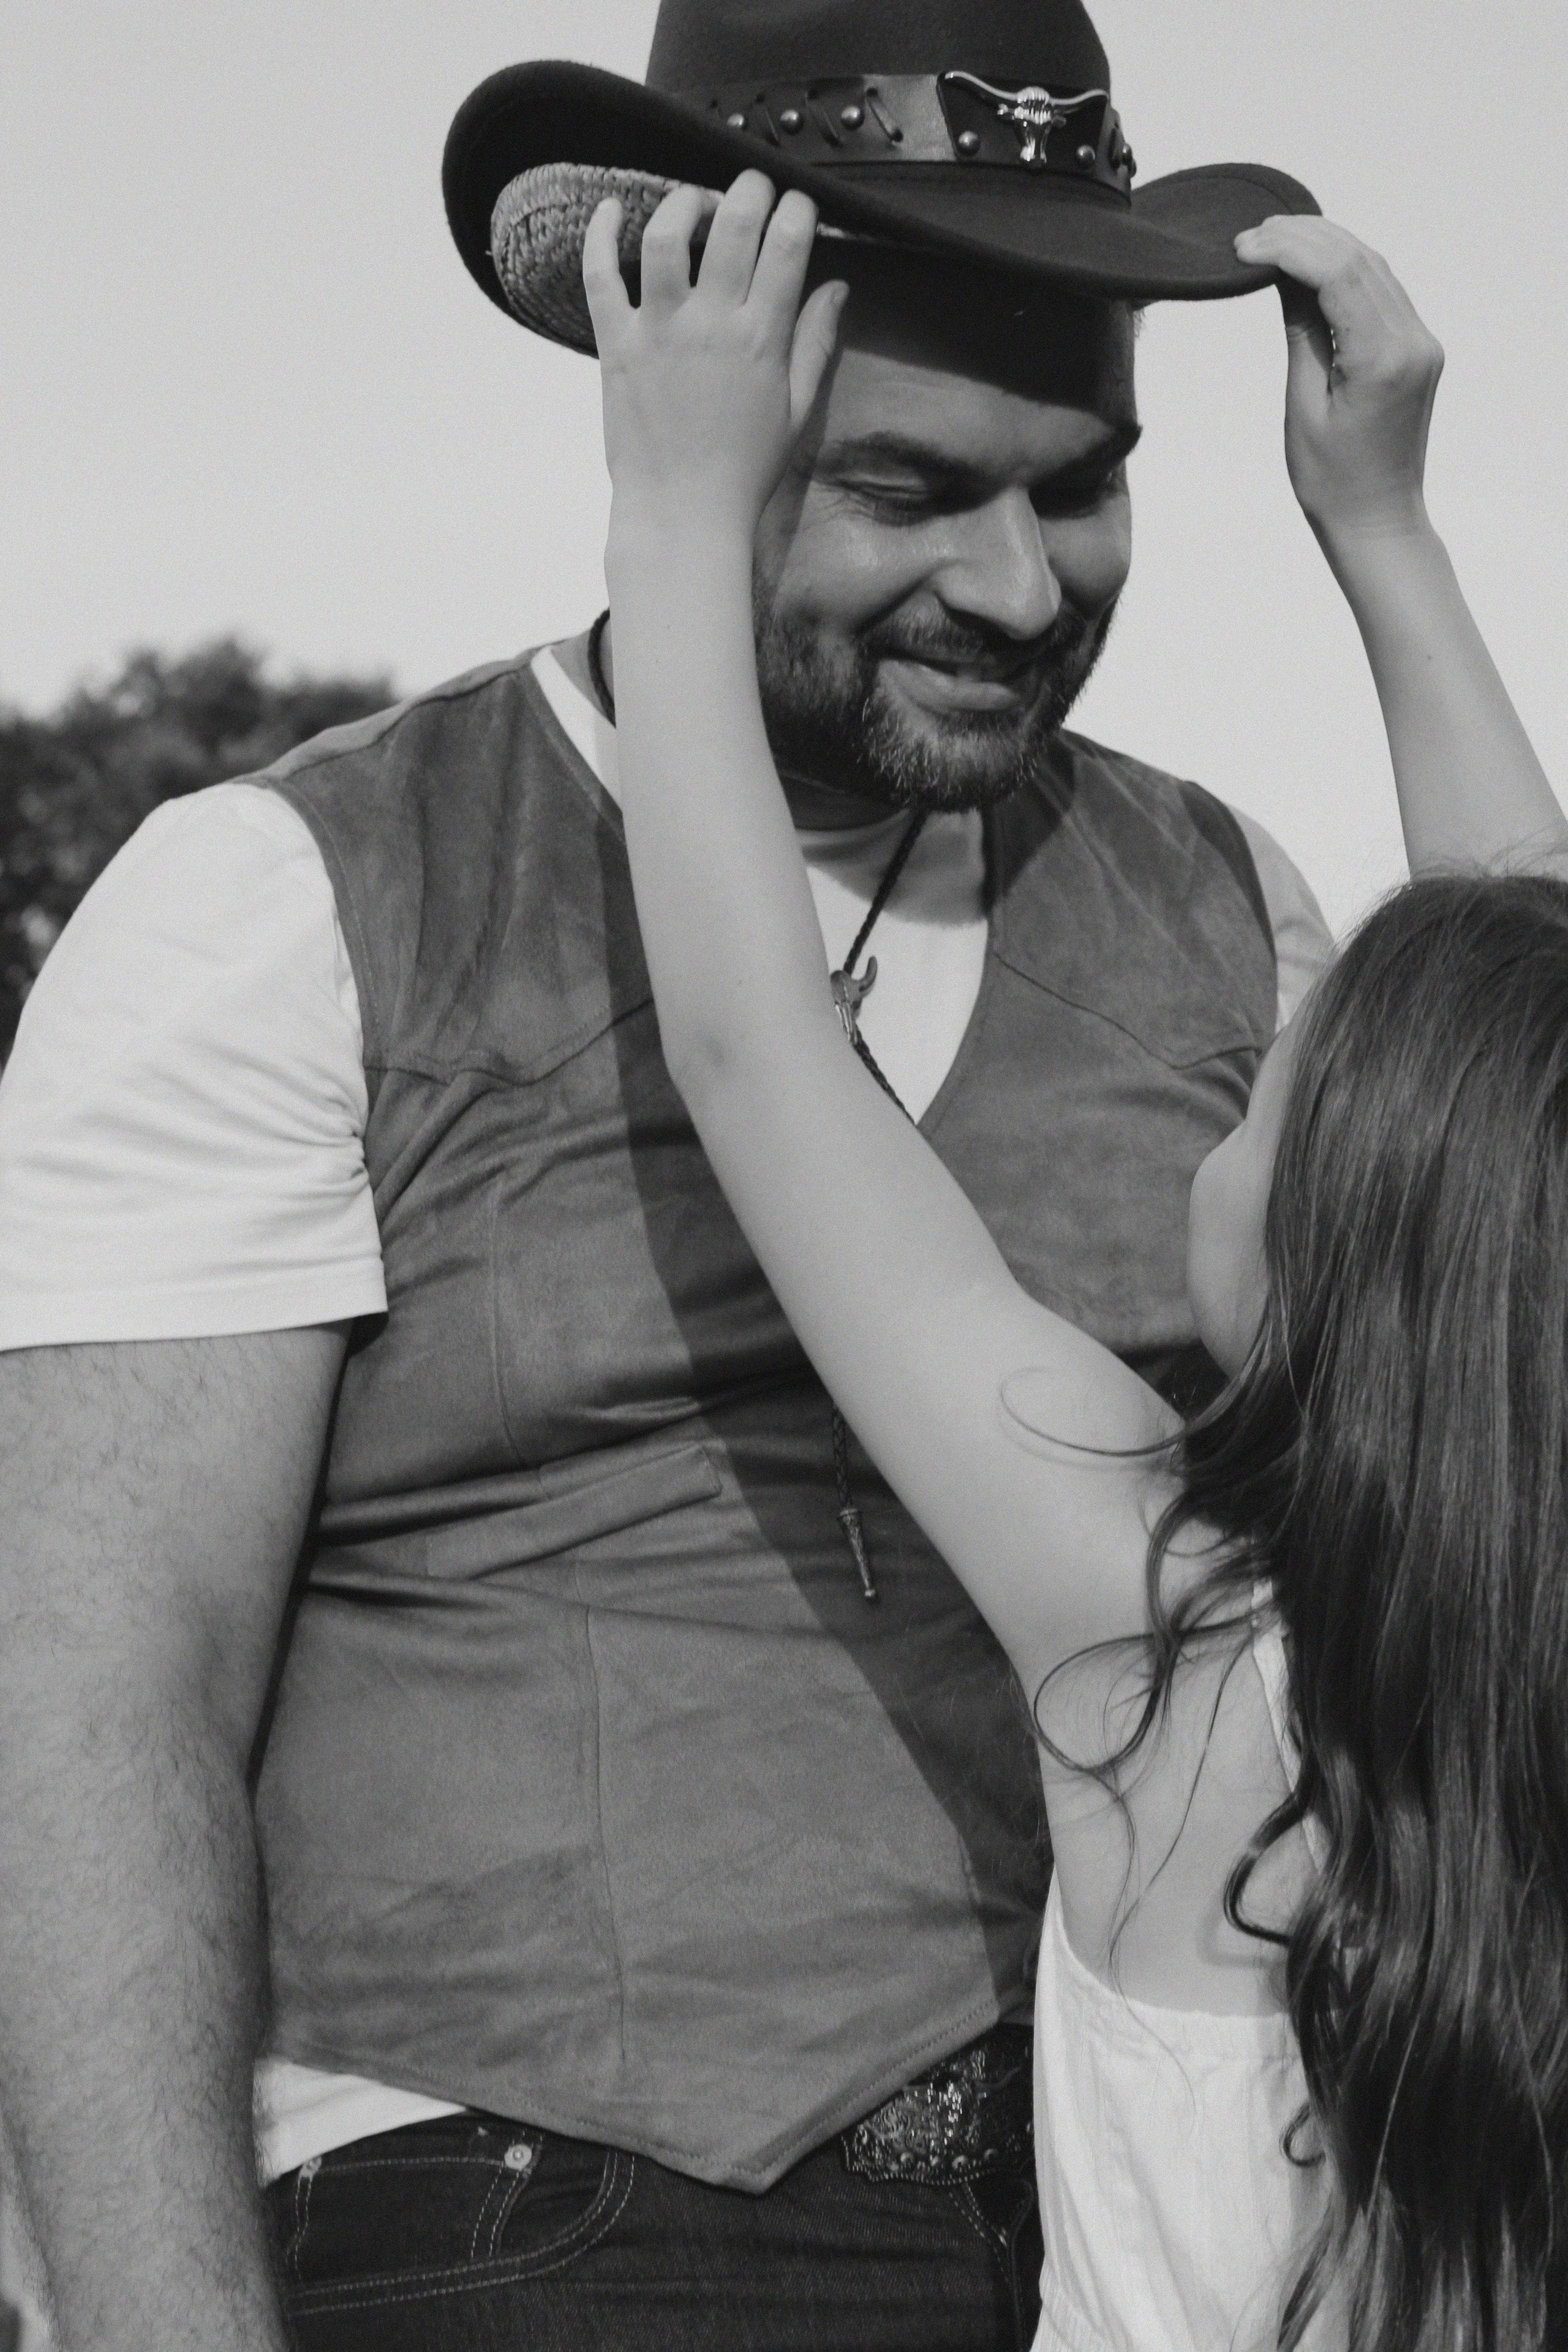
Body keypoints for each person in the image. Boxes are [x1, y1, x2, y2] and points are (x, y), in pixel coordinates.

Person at [0, 2, 1332, 2347]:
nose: (1024, 587)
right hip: (512, 2224)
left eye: (1085, 482)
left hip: (1168, 2231)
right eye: (916, 493)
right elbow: (93, 1717)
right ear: (686, 419)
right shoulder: (282, 902)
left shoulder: (1236, 913)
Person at [587, 166, 1568, 2351]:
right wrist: (1385, 528)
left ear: (1336, 1269)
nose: (1231, 1078)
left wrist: (674, 510)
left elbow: (764, 1063)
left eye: (1272, 1095)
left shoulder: (1200, 1681)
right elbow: (1535, 1062)